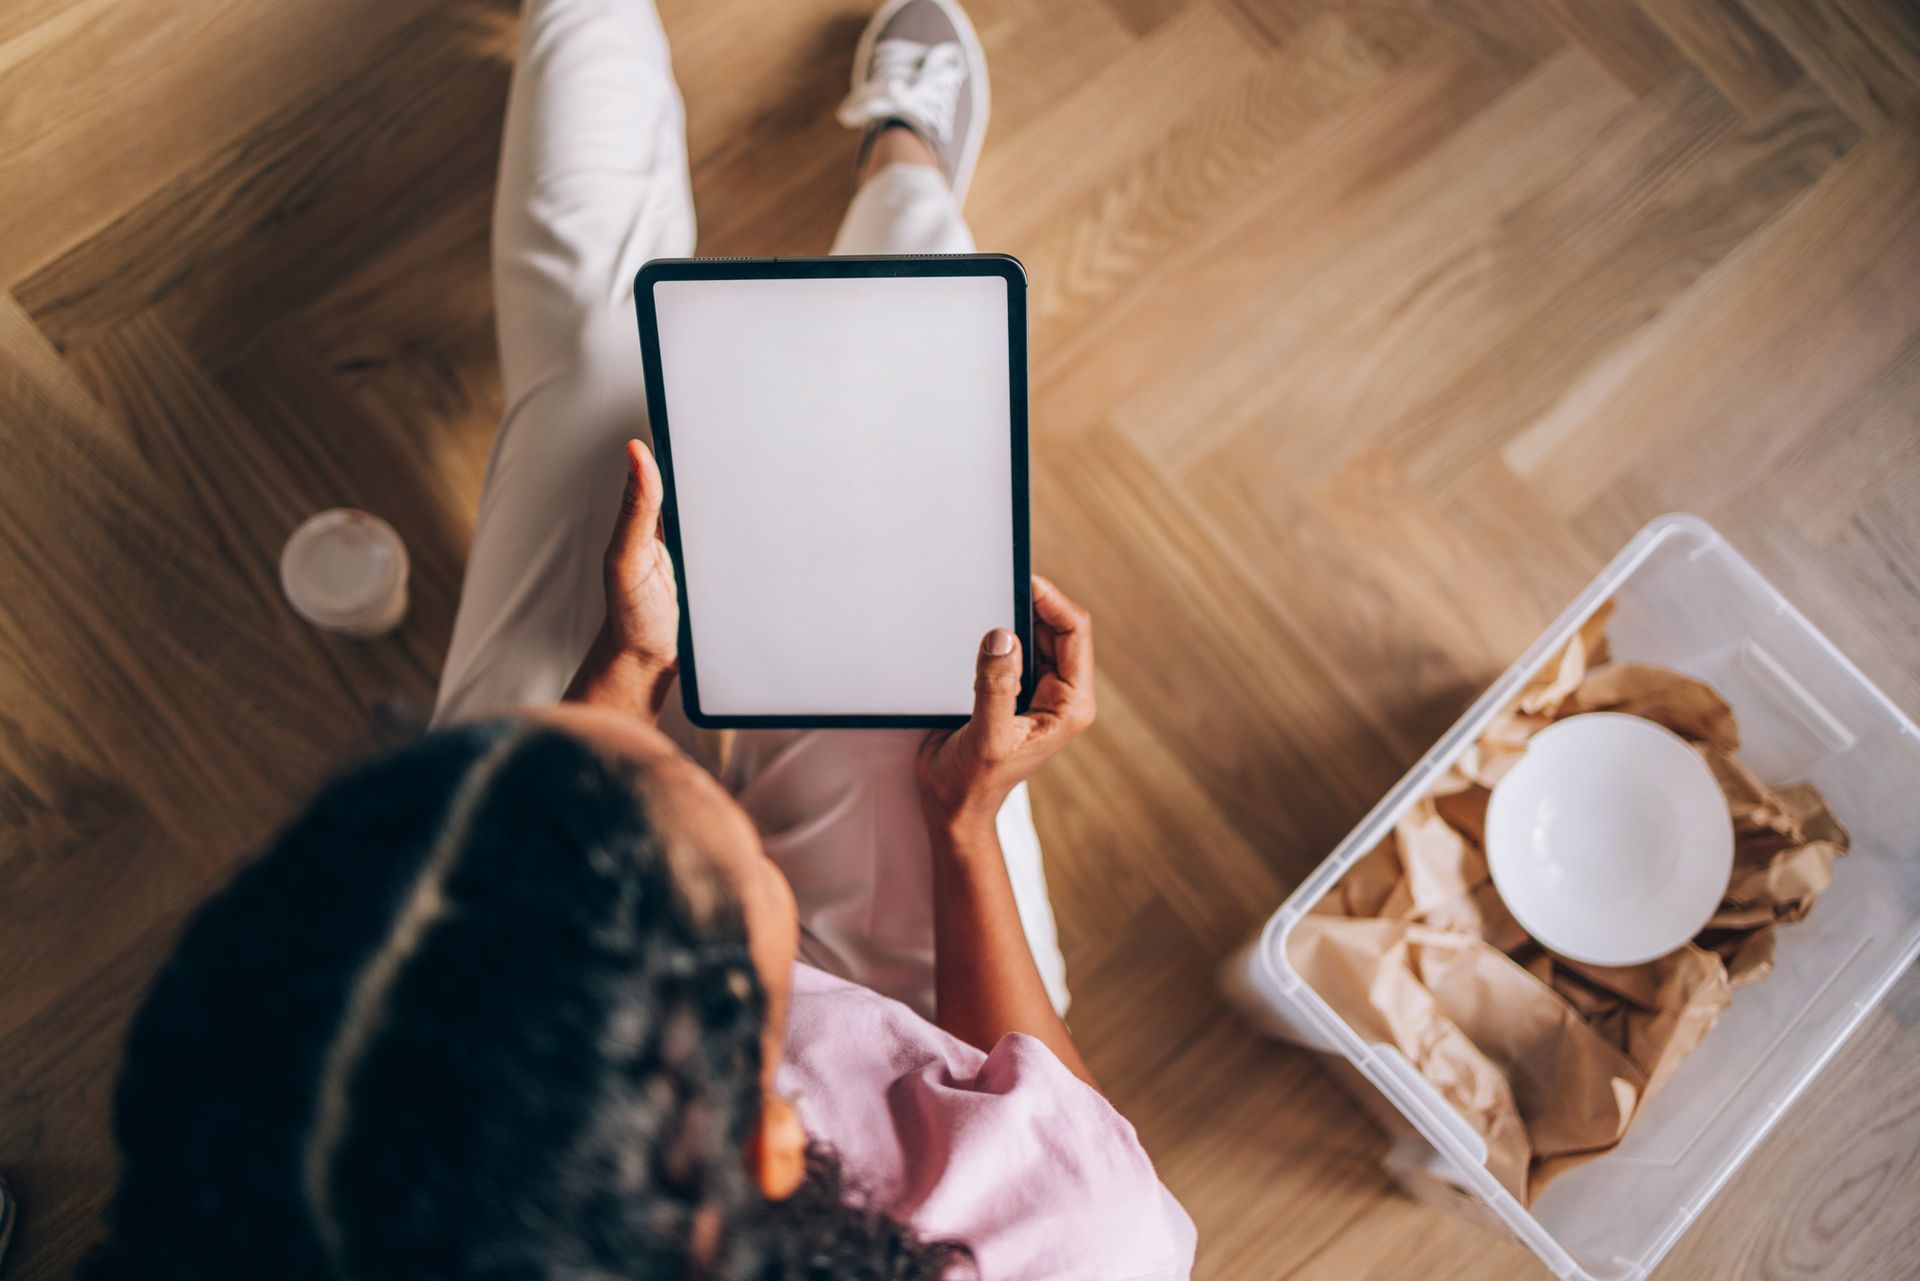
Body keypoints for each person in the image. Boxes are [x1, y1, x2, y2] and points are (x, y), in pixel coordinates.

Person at [87, 0, 1197, 1277]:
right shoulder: (1084, 1253)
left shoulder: (316, 1142)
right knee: (887, 436)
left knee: (594, 415)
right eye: (667, 769)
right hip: (912, 1030)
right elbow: (1034, 1129)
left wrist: (619, 677)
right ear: (777, 1138)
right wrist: (962, 827)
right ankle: (903, 172)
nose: (671, 741)